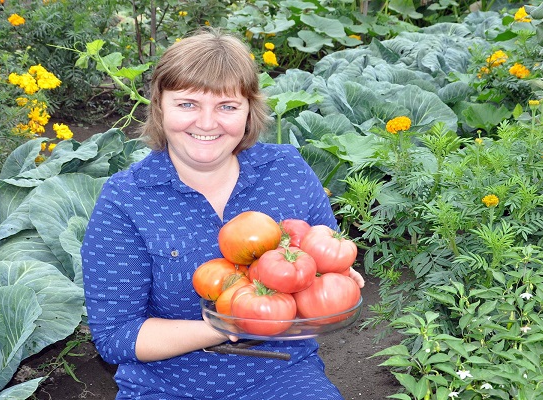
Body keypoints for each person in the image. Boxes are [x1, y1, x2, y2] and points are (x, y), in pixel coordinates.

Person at [81, 27, 365, 400]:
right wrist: (232, 322)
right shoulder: (126, 200)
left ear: (249, 111)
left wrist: (337, 281)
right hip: (165, 385)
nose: (207, 123)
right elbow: (116, 337)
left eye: (227, 106)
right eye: (187, 104)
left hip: (281, 374)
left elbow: (322, 263)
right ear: (159, 106)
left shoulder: (287, 173)